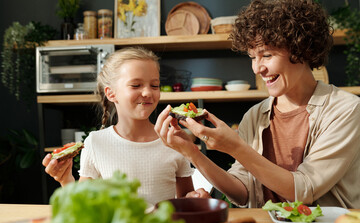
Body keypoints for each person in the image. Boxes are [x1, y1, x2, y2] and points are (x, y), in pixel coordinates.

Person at [155, 0, 360, 209]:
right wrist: (192, 153)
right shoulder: (256, 115)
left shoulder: (345, 110)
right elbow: (241, 192)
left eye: (267, 55)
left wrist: (236, 147)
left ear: (302, 49)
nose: (257, 68)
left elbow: (304, 190)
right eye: (252, 57)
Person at [43, 47, 210, 205]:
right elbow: (82, 206)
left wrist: (194, 197)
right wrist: (65, 180)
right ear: (111, 93)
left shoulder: (174, 140)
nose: (147, 93)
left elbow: (184, 203)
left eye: (154, 85)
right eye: (136, 85)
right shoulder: (95, 142)